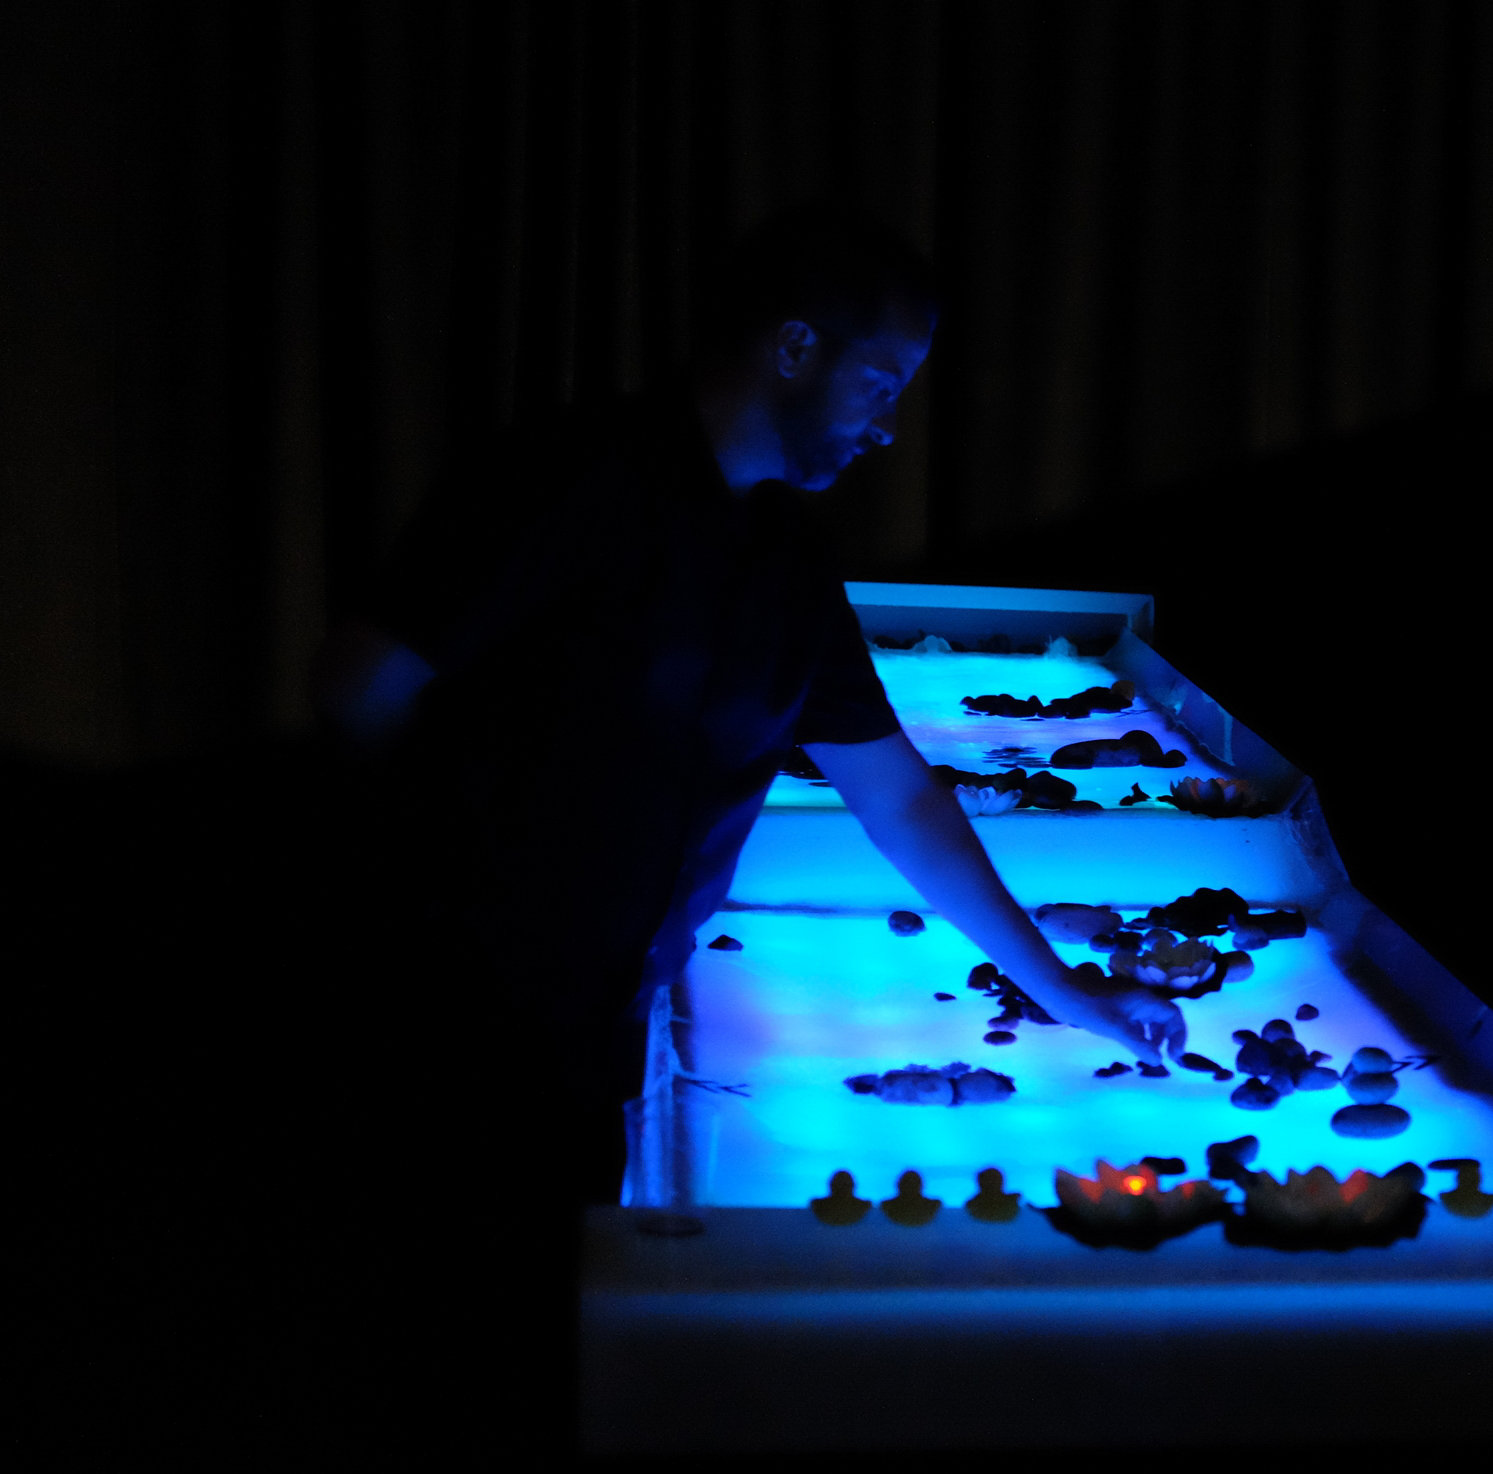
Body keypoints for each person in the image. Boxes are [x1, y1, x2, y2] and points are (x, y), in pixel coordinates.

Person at [310, 204, 1185, 1203]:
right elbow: (357, 681)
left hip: (603, 1031)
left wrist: (1066, 991)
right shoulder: (561, 480)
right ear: (795, 347)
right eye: (881, 384)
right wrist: (469, 876)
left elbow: (900, 798)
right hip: (451, 1021)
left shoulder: (790, 564)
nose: (889, 427)